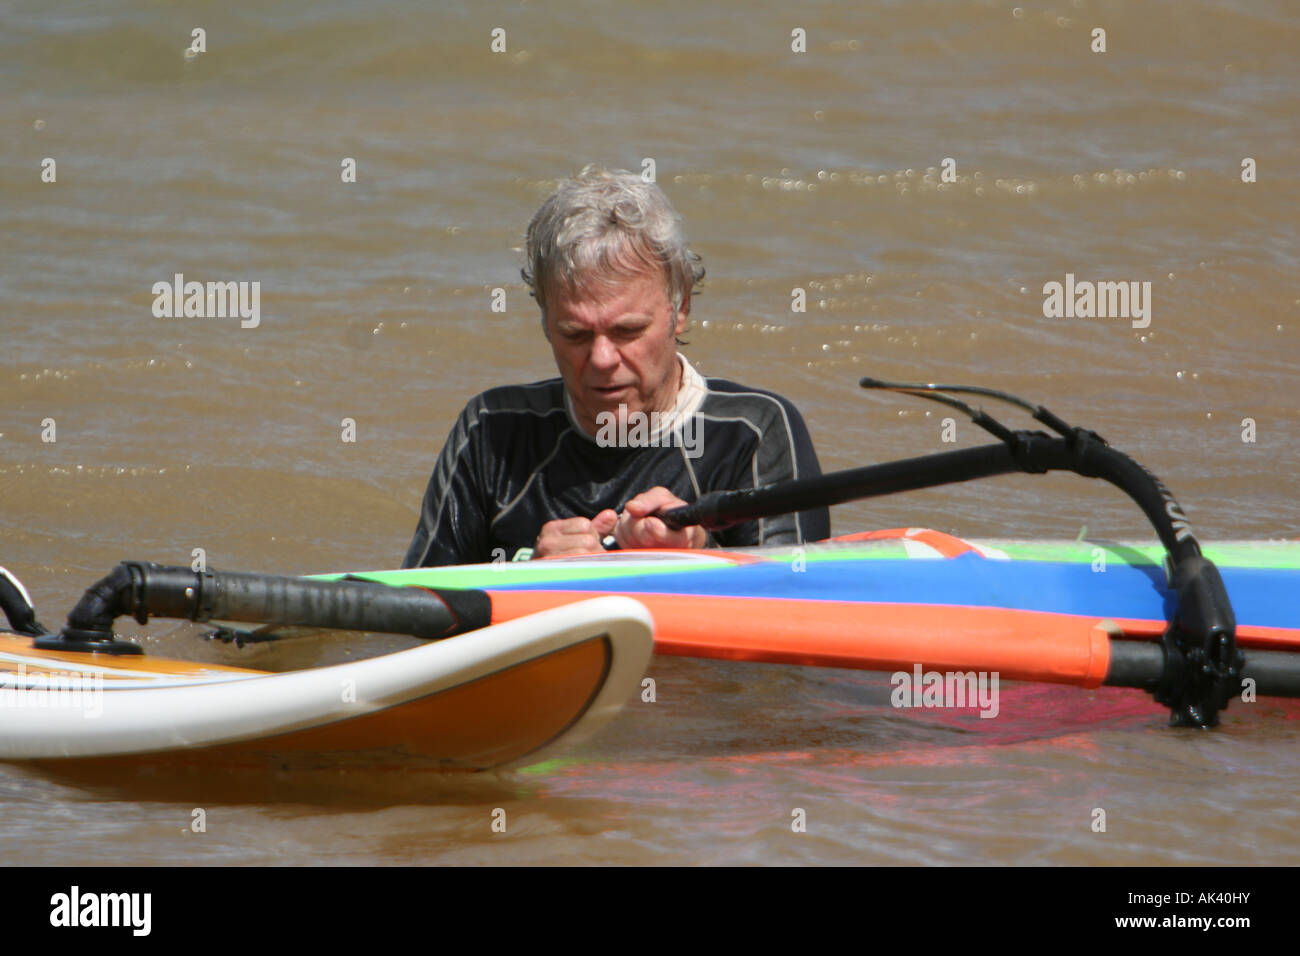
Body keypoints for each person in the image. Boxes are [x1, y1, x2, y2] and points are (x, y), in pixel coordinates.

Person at [401, 165, 830, 568]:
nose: (602, 360)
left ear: (679, 309)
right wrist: (528, 571)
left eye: (627, 331)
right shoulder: (491, 432)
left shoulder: (755, 432)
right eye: (575, 335)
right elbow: (415, 607)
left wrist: (699, 551)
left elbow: (804, 601)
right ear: (545, 320)